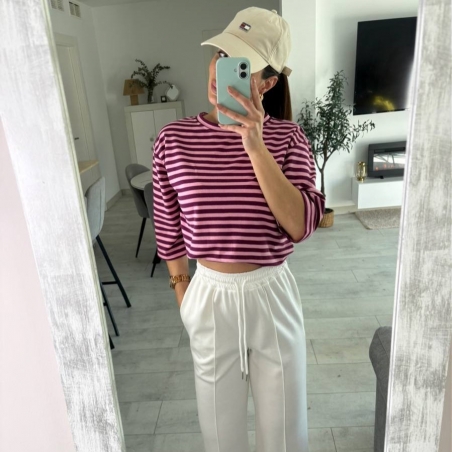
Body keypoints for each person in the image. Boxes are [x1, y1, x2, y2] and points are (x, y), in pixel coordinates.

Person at [152, 7, 325, 452]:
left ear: (267, 82)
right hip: (209, 296)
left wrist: (255, 145)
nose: (219, 69)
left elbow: (301, 225)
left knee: (285, 435)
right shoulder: (173, 139)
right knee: (220, 437)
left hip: (272, 295)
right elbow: (168, 228)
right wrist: (183, 294)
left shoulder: (289, 139)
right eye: (221, 54)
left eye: (240, 63)